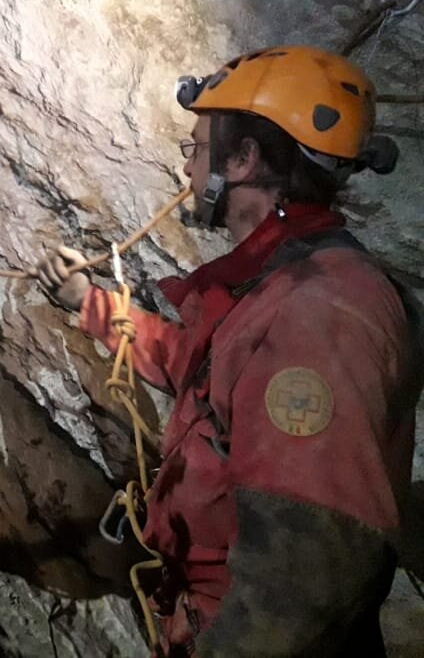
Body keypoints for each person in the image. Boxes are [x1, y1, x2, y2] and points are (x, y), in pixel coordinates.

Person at [34, 46, 422, 656]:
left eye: (195, 148)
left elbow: (302, 580)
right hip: (201, 614)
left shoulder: (321, 312)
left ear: (242, 160)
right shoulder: (279, 278)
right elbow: (199, 369)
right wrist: (90, 304)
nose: (187, 168)